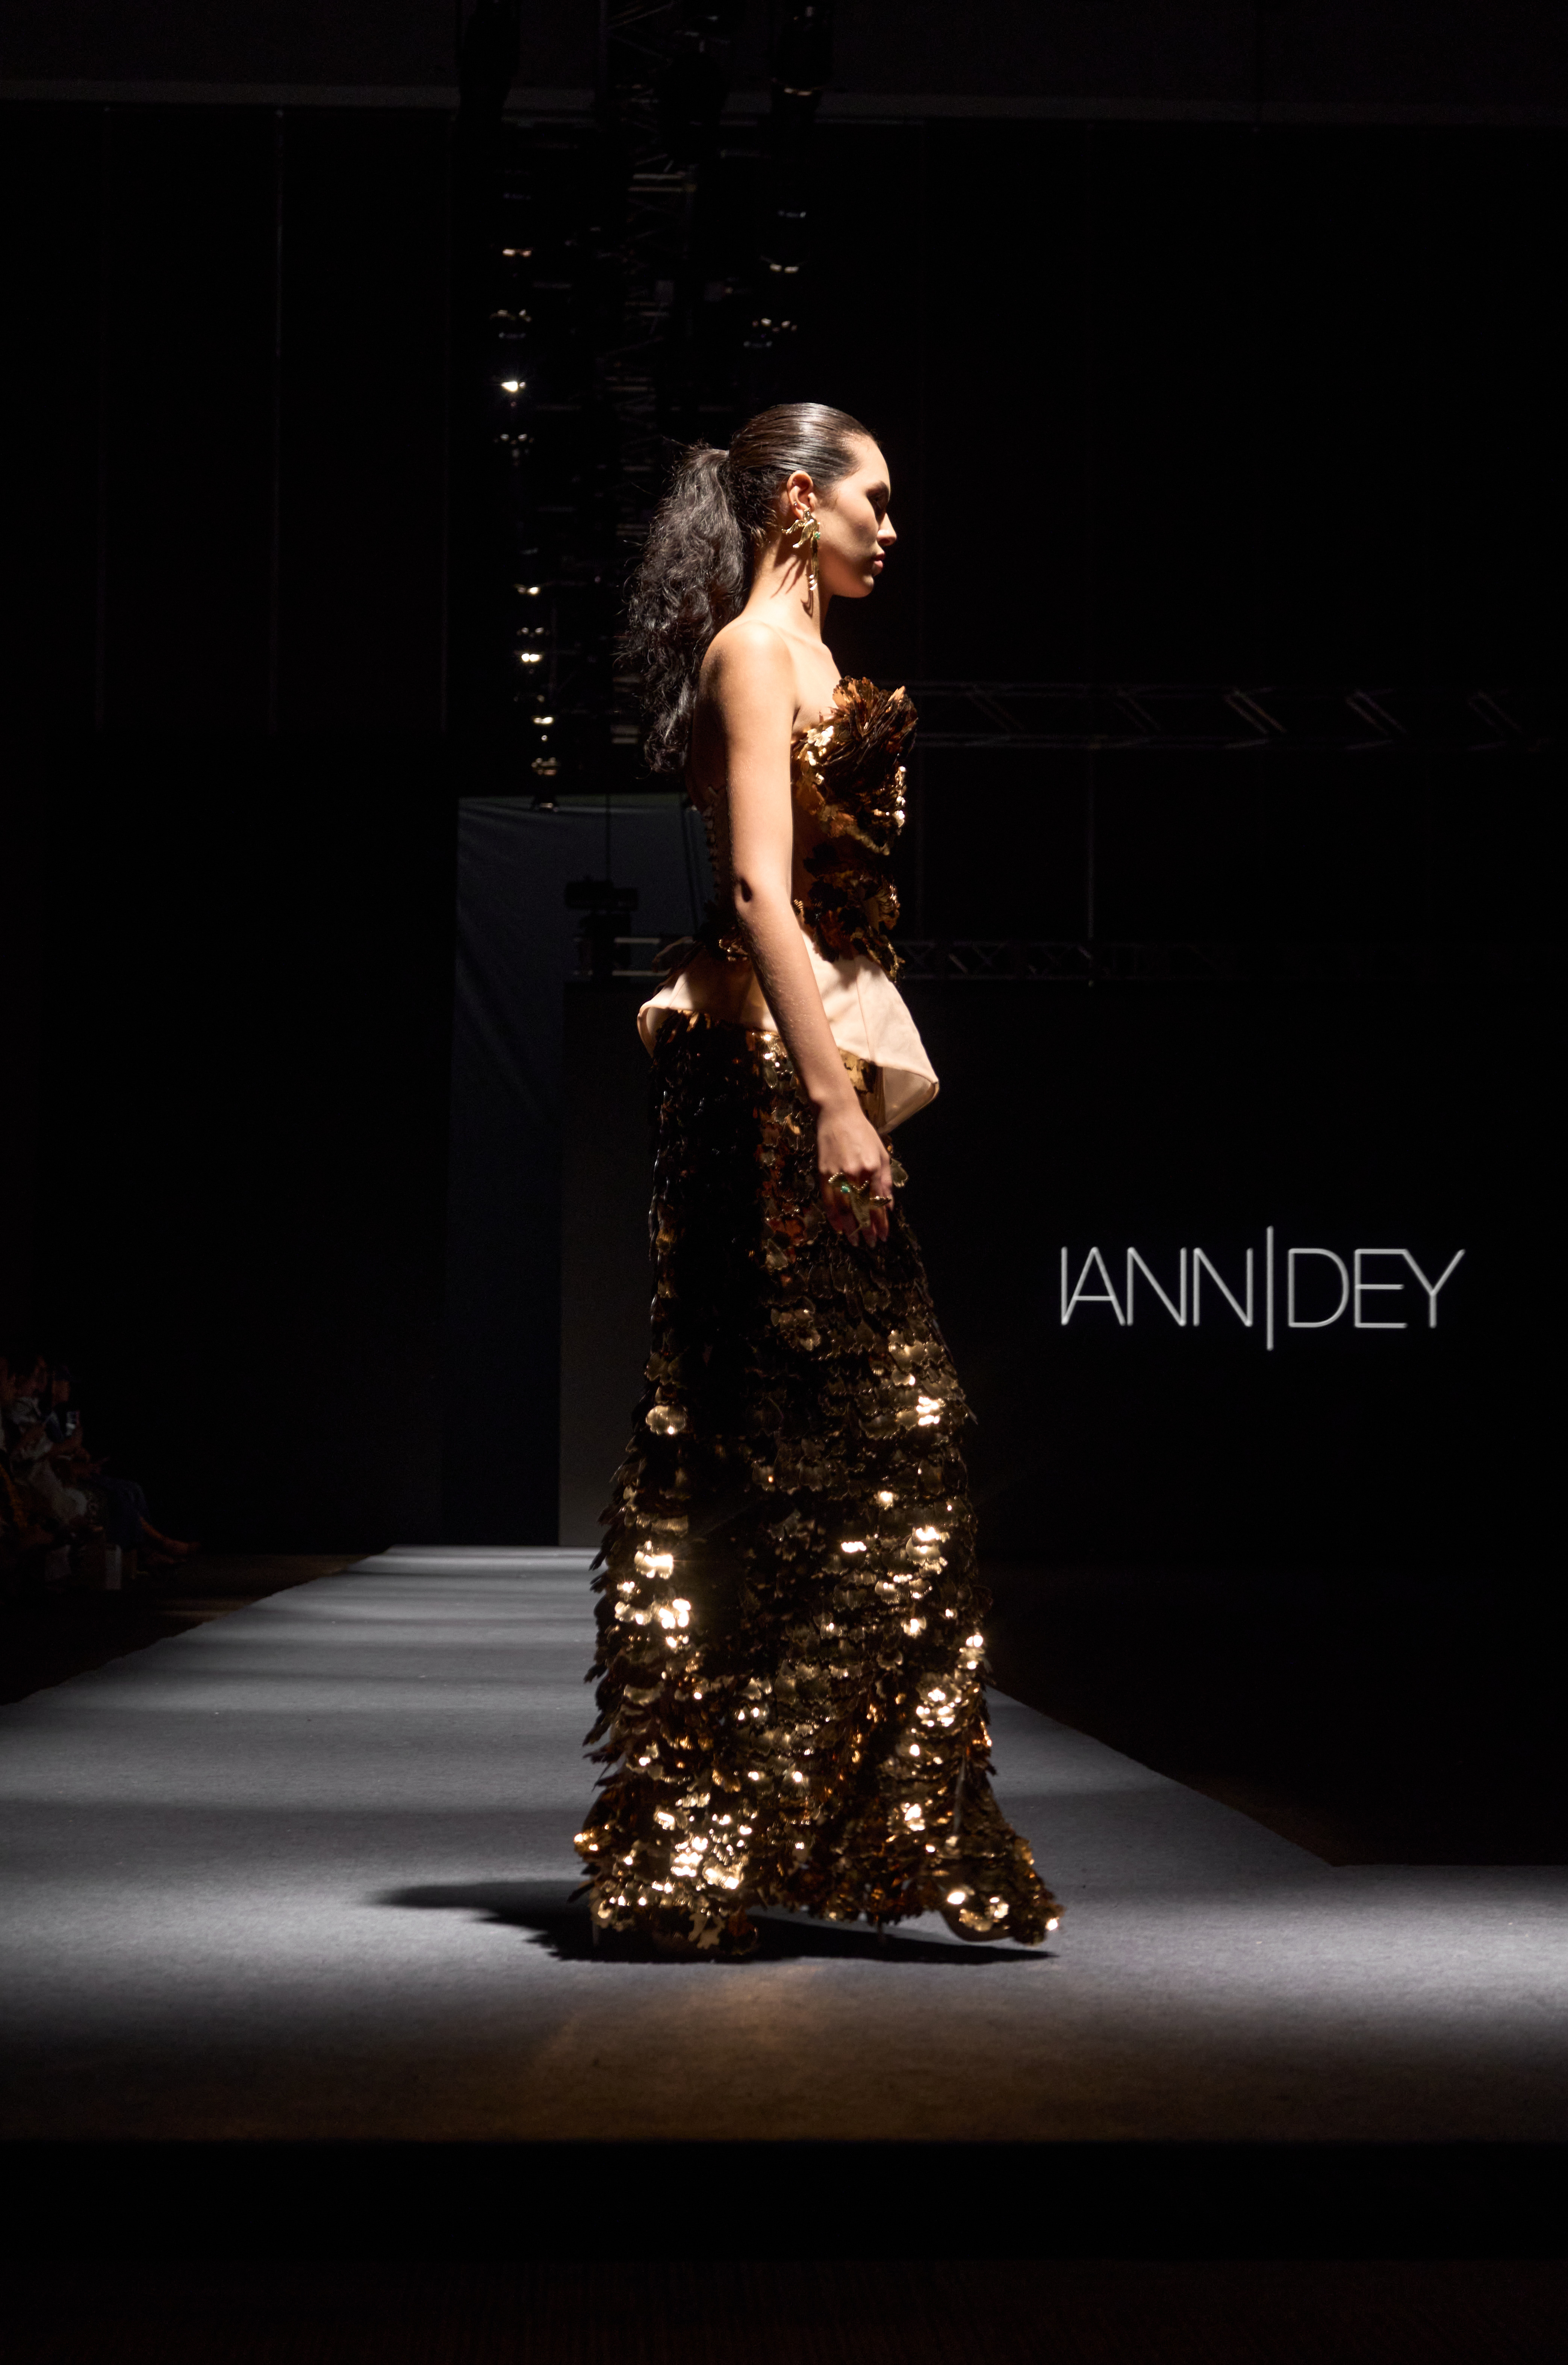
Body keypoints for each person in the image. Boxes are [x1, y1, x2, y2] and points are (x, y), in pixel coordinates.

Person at [572, 404, 1061, 1957]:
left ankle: (854, 1821)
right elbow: (750, 890)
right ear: (799, 500)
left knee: (870, 1451)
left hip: (806, 1071)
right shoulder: (751, 655)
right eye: (875, 501)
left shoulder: (820, 664)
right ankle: (696, 1840)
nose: (891, 531)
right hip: (765, 1090)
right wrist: (834, 1102)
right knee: (749, 1435)